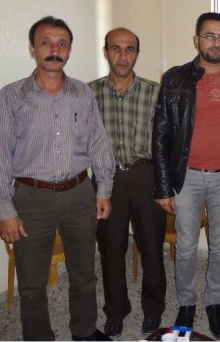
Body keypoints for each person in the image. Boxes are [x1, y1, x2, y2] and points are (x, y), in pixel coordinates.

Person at [0, 16, 115, 341]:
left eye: (62, 44)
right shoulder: (11, 96)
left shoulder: (83, 93)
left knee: (84, 273)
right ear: (33, 48)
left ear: (69, 50)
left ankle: (84, 330)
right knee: (32, 282)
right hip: (31, 199)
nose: (54, 50)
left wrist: (103, 189)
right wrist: (5, 211)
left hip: (79, 193)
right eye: (46, 42)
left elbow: (98, 143)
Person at [152, 12, 220, 339]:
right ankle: (186, 303)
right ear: (197, 39)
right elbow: (161, 133)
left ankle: (214, 302)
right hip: (187, 177)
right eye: (209, 35)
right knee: (186, 245)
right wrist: (163, 187)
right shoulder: (175, 78)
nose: (216, 42)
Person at [89, 28, 166, 337]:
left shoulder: (155, 92)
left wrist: (166, 185)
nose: (123, 56)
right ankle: (116, 310)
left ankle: (153, 309)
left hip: (146, 176)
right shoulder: (89, 93)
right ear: (106, 52)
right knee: (111, 249)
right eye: (116, 48)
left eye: (130, 49)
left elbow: (167, 141)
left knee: (151, 248)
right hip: (106, 181)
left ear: (137, 53)